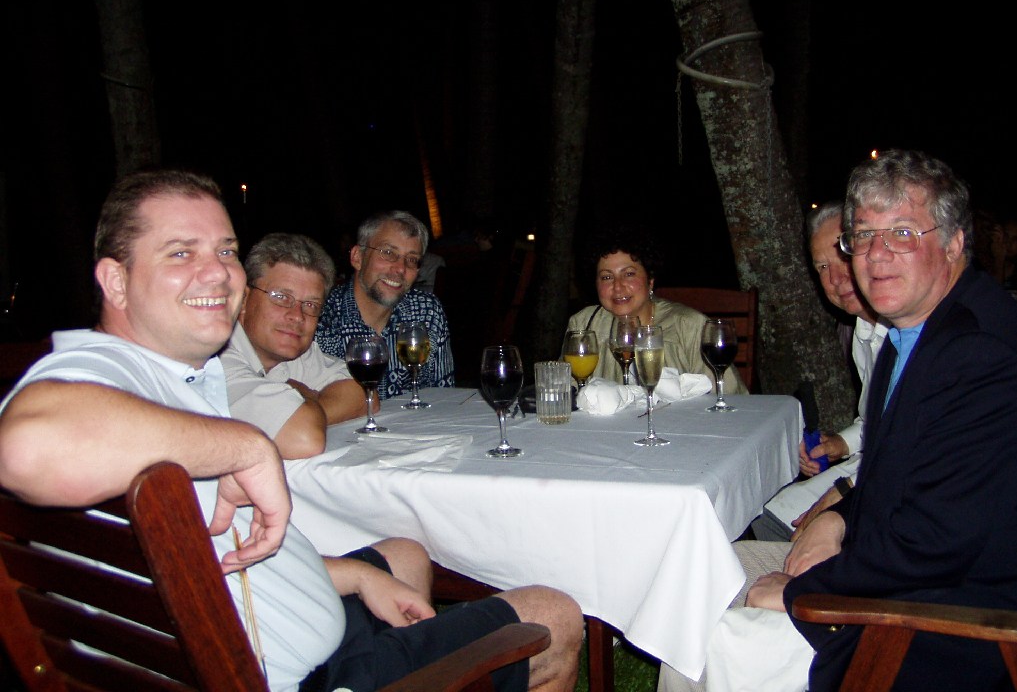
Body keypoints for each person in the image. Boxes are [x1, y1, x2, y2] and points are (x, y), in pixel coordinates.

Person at [0, 170, 583, 692]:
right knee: (553, 615)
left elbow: (221, 555)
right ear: (116, 282)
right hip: (294, 675)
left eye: (226, 251)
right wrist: (245, 445)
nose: (216, 271)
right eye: (180, 252)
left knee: (401, 553)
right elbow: (25, 446)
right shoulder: (105, 372)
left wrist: (355, 574)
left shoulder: (178, 379)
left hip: (263, 624)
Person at [659, 149, 1017, 691]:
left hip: (941, 625)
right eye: (864, 236)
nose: (876, 255)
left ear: (953, 243)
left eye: (902, 233)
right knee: (711, 566)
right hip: (893, 573)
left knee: (713, 631)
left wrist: (799, 592)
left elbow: (935, 544)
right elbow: (908, 474)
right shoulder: (912, 335)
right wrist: (841, 516)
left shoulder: (981, 354)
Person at [753, 202, 888, 542]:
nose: (835, 279)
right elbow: (876, 420)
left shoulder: (908, 332)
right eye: (822, 267)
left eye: (843, 257)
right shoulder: (863, 331)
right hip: (868, 467)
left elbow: (914, 440)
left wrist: (845, 493)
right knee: (766, 513)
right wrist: (841, 443)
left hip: (896, 484)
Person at [220, 232, 369, 459]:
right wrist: (306, 400)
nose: (297, 316)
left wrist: (306, 406)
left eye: (310, 305)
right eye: (281, 297)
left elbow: (362, 392)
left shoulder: (288, 351)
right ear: (243, 300)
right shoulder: (216, 357)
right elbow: (304, 438)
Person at [565, 227, 746, 394]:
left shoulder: (689, 326)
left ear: (650, 280)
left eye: (629, 274)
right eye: (606, 277)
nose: (617, 286)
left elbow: (729, 395)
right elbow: (565, 392)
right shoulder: (584, 324)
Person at [315, 210, 455, 399]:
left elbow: (444, 397)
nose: (400, 268)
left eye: (412, 259)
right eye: (388, 253)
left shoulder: (426, 312)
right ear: (357, 257)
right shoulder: (321, 319)